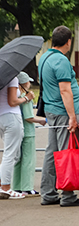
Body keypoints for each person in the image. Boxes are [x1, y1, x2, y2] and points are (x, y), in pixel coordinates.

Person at [38, 26, 79, 206]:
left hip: (51, 110)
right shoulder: (61, 60)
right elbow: (65, 90)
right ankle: (68, 194)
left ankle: (48, 192)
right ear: (68, 42)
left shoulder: (45, 57)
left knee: (52, 152)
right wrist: (72, 117)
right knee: (68, 152)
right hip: (62, 112)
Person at [12, 72, 44, 196]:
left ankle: (16, 185)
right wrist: (41, 120)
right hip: (28, 132)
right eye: (28, 82)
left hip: (18, 131)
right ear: (24, 84)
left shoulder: (16, 98)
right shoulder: (26, 98)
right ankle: (27, 186)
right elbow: (29, 117)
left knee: (19, 160)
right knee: (28, 160)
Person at [0, 70, 29, 200]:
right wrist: (26, 98)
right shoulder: (11, 77)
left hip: (1, 116)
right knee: (10, 154)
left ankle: (3, 184)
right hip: (11, 116)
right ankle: (5, 188)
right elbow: (12, 101)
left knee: (8, 153)